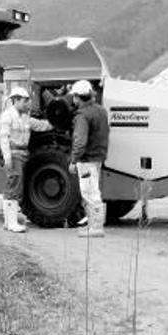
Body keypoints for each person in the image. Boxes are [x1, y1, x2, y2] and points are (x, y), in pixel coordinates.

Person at [0, 86, 53, 233]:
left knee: (16, 187)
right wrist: (7, 158)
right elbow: (4, 138)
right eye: (25, 101)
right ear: (15, 100)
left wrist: (55, 122)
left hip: (21, 155)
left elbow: (41, 126)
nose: (28, 104)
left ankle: (9, 222)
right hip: (14, 155)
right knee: (14, 187)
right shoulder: (7, 116)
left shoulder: (24, 117)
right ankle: (11, 223)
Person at [67, 80, 110, 238]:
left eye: (74, 97)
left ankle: (96, 227)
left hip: (86, 159)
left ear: (78, 97)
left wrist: (73, 160)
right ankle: (94, 225)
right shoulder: (101, 110)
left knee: (90, 192)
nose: (73, 100)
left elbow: (80, 141)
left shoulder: (82, 115)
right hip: (98, 157)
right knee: (94, 190)